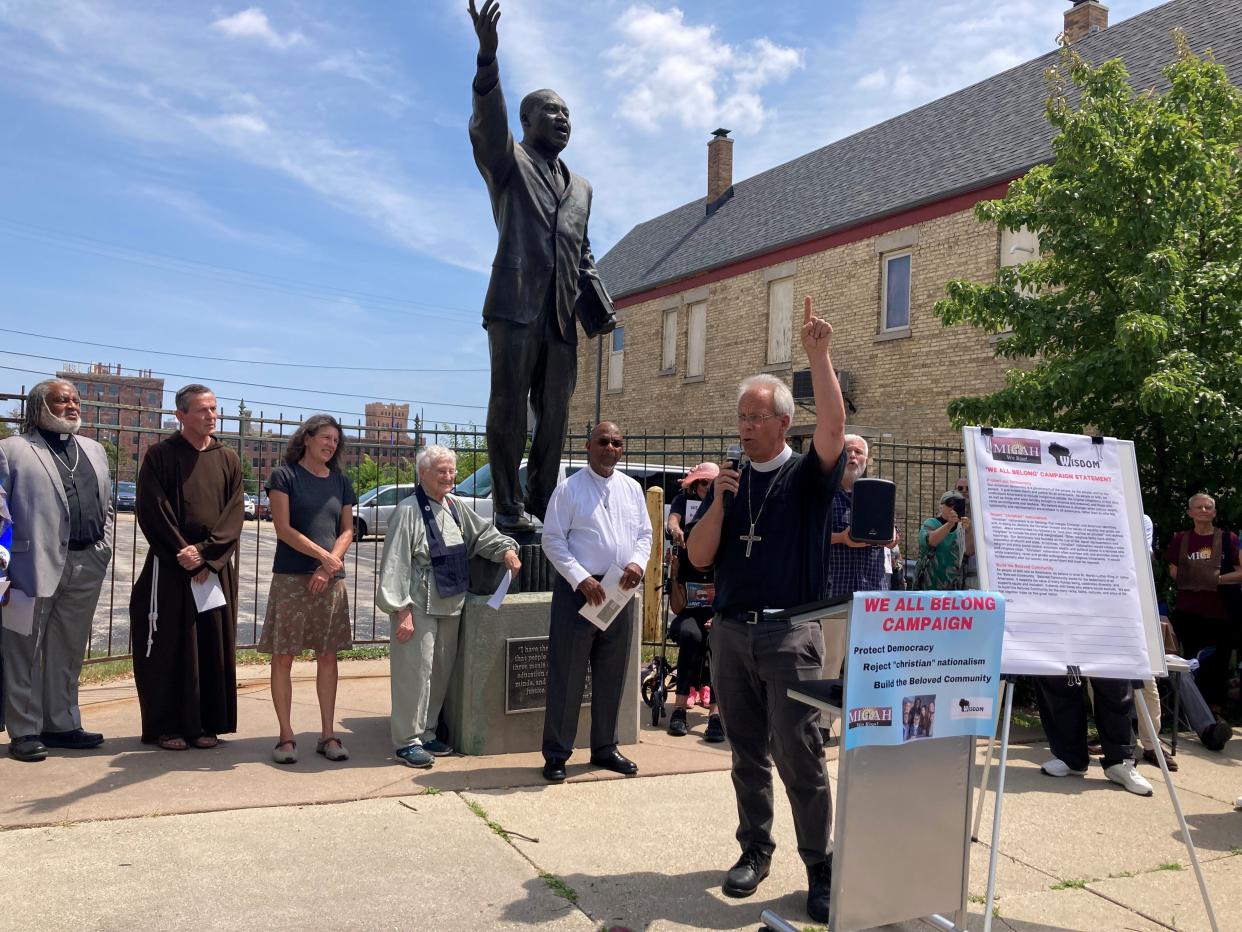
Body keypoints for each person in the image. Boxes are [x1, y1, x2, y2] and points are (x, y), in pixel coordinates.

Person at [686, 296, 846, 925]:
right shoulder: (728, 481)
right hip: (730, 633)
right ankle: (754, 849)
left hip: (788, 633)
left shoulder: (805, 478)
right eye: (741, 416)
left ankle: (820, 866)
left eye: (757, 416)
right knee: (746, 753)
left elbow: (832, 429)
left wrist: (818, 356)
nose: (746, 426)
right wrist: (719, 503)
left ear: (783, 423)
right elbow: (699, 558)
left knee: (799, 752)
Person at [467, 0, 613, 534]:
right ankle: (506, 507)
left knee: (555, 416)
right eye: (552, 111)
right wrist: (488, 63)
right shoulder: (507, 162)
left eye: (569, 113)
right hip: (514, 306)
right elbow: (487, 128)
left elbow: (582, 248)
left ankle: (540, 503)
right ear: (527, 120)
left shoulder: (582, 188)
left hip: (559, 317)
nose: (563, 119)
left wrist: (595, 297)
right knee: (507, 408)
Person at [377, 445, 521, 768]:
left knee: (439, 673)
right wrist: (401, 611)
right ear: (423, 473)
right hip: (418, 605)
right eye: (440, 471)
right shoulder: (408, 511)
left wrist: (506, 550)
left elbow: (482, 535)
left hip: (451, 603)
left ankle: (427, 731)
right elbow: (396, 563)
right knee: (415, 673)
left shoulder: (454, 507)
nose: (448, 477)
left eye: (451, 471)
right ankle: (406, 740)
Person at [0, 379, 113, 762]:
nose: (72, 405)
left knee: (68, 649)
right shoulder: (11, 450)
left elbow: (107, 506)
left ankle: (62, 723)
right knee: (23, 650)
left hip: (86, 564)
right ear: (40, 406)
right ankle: (25, 730)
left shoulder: (95, 451)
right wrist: (4, 564)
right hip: (28, 567)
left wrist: (104, 548)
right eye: (62, 400)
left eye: (76, 400)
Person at [129, 384, 244, 751]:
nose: (212, 416)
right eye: (202, 411)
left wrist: (207, 555)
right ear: (180, 415)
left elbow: (235, 513)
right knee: (169, 647)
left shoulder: (228, 458)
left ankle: (205, 724)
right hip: (171, 566)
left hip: (213, 569)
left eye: (214, 409)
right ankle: (168, 726)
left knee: (210, 645)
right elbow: (152, 509)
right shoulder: (160, 456)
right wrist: (185, 553)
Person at [540, 421, 652, 782]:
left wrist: (638, 562)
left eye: (617, 443)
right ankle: (557, 753)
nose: (610, 448)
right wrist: (581, 578)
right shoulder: (569, 489)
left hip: (618, 594)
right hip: (580, 595)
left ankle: (605, 747)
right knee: (567, 676)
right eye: (603, 441)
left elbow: (645, 535)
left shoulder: (632, 488)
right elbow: (552, 540)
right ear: (589, 446)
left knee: (612, 675)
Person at [259, 415, 357, 765]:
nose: (331, 444)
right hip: (291, 579)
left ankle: (328, 734)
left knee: (328, 656)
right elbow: (283, 528)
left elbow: (347, 530)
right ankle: (286, 737)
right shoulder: (283, 476)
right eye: (325, 438)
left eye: (336, 440)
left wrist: (329, 565)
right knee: (283, 656)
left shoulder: (342, 482)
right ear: (307, 438)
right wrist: (323, 558)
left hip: (329, 580)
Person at [1166, 493, 1242, 716]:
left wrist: (1215, 580)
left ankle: (1215, 711)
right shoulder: (1181, 539)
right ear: (1190, 513)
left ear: (1215, 512)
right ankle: (1190, 710)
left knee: (1218, 663)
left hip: (1220, 612)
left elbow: (1240, 573)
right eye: (1199, 507)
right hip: (1188, 611)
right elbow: (1173, 570)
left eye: (1208, 507)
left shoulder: (1228, 539)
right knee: (1189, 661)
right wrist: (1191, 579)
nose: (1204, 511)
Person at [665, 463, 723, 742]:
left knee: (719, 637)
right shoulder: (684, 552)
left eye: (711, 485)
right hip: (689, 612)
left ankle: (715, 714)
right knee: (690, 634)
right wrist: (675, 574)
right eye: (702, 485)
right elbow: (676, 608)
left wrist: (720, 614)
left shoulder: (723, 553)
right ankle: (679, 709)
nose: (707, 490)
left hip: (717, 614)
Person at [828, 434, 891, 596]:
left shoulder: (879, 494)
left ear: (866, 460)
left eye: (858, 451)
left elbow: (894, 535)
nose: (853, 455)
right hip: (834, 590)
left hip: (873, 591)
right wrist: (841, 538)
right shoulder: (823, 494)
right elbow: (808, 535)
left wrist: (892, 536)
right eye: (847, 450)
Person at [915, 491, 974, 590]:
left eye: (957, 504)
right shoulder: (931, 523)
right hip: (929, 587)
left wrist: (969, 531)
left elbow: (968, 552)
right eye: (949, 503)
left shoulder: (963, 527)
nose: (953, 507)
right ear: (941, 506)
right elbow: (930, 541)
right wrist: (950, 524)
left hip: (954, 589)